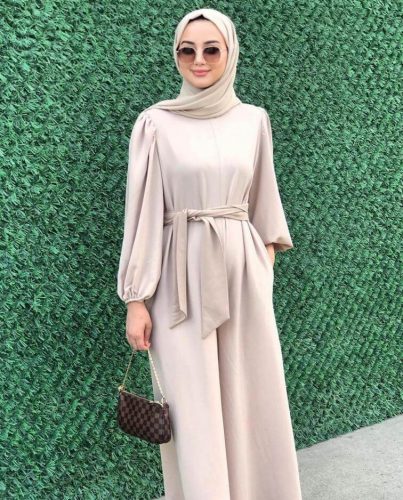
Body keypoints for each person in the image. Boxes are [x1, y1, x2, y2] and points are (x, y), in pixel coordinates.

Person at [117, 7, 302, 500]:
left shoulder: (253, 121)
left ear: (230, 53)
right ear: (176, 55)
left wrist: (262, 267)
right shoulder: (156, 123)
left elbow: (265, 206)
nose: (198, 60)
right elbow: (142, 214)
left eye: (211, 49)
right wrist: (136, 298)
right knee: (192, 407)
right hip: (177, 285)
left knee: (251, 396)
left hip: (243, 281)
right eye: (187, 50)